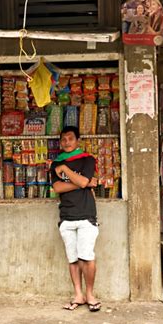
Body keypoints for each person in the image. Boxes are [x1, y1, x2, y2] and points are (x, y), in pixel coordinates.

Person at [50, 126, 101, 312]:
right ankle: (78, 294)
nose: (67, 142)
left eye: (70, 138)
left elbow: (82, 181)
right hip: (66, 216)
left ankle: (90, 294)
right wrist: (83, 183)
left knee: (87, 256)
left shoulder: (87, 159)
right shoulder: (55, 163)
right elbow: (58, 188)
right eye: (63, 139)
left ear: (77, 140)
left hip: (87, 214)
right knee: (72, 259)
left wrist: (66, 171)